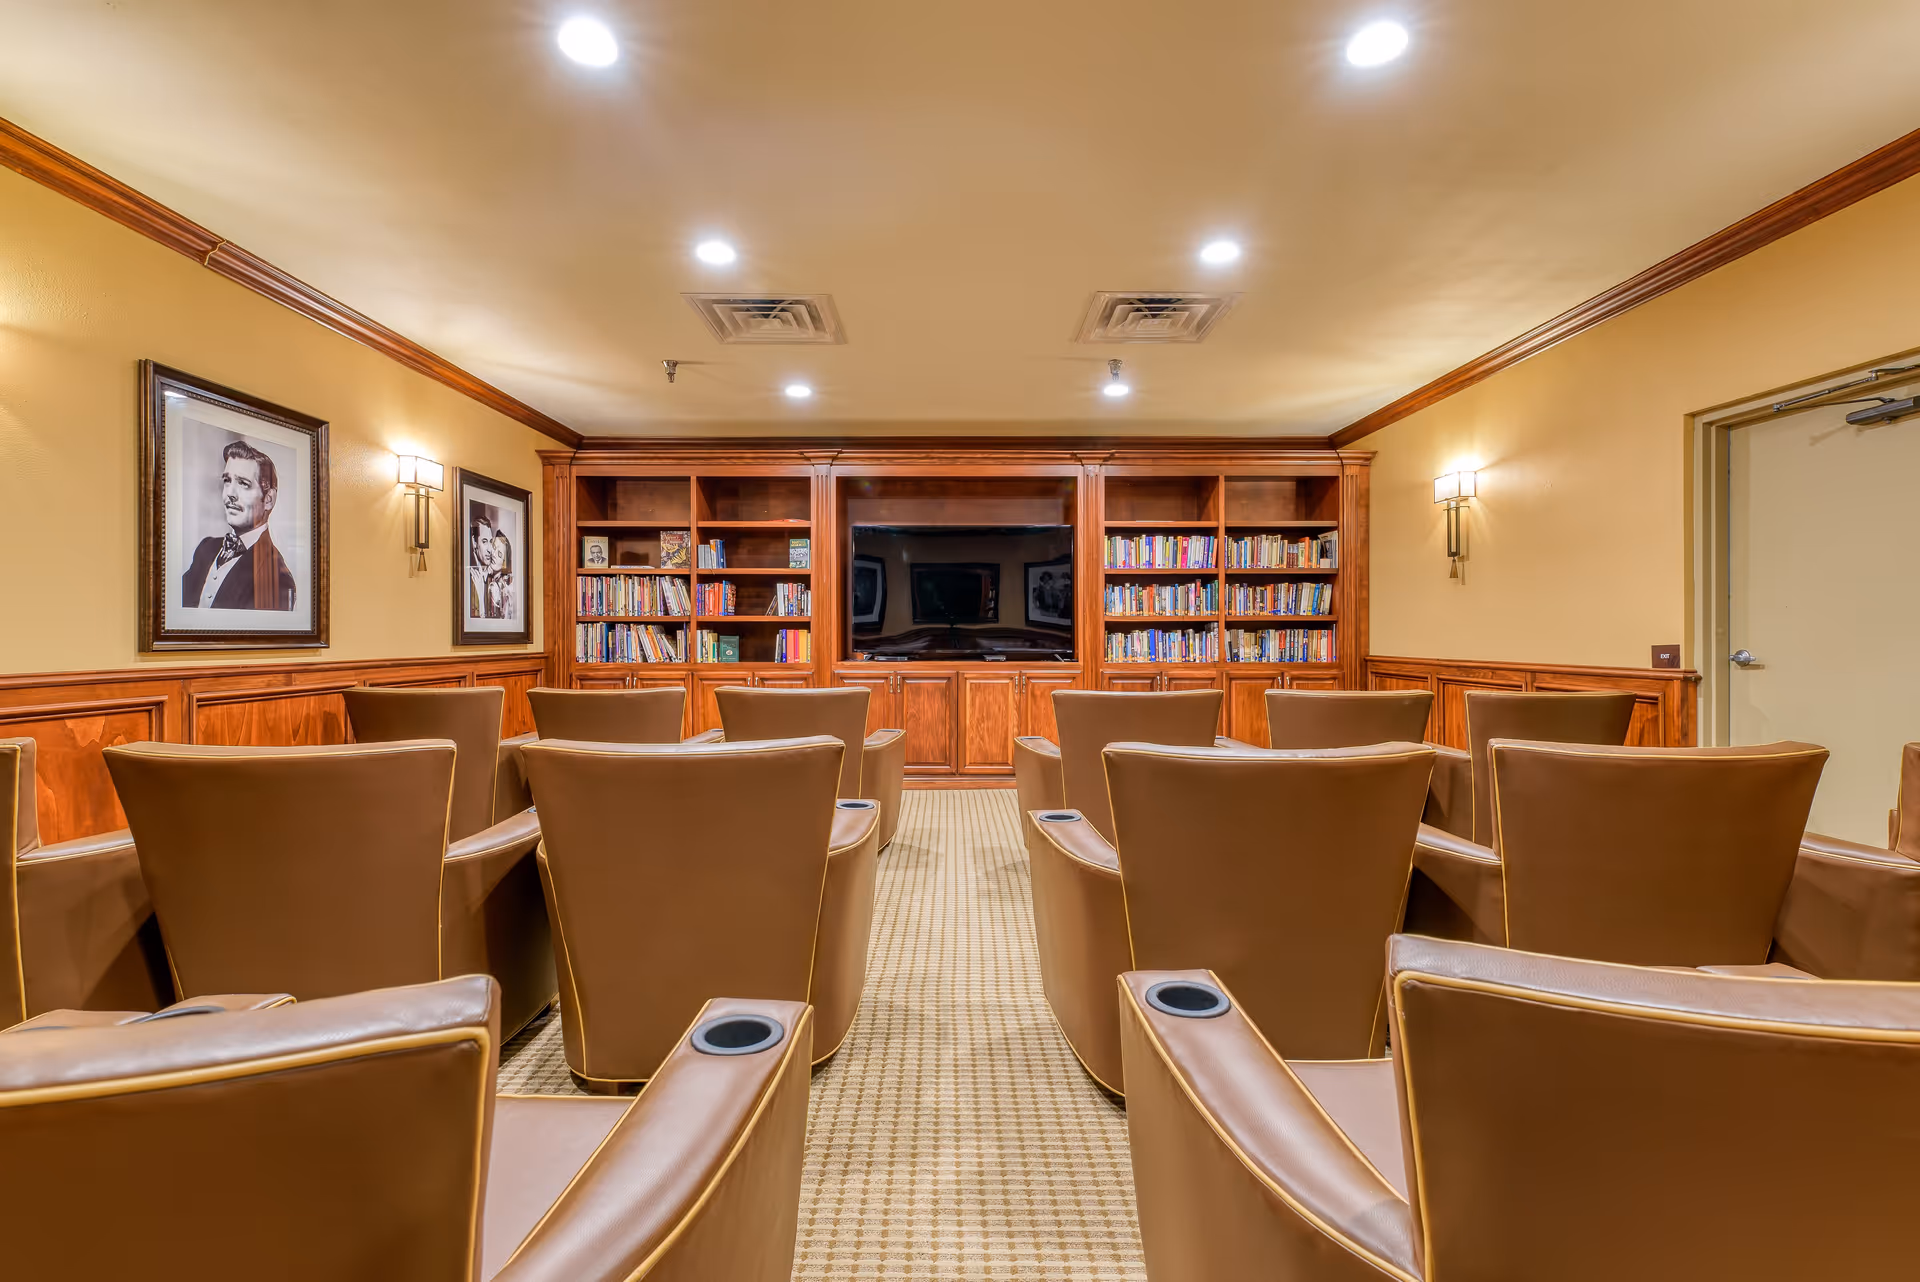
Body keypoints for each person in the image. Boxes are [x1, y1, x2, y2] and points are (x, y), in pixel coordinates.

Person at [180, 440, 296, 610]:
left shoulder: (278, 578)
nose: (230, 494)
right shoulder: (206, 549)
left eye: (243, 483)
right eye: (227, 481)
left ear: (268, 500)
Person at [467, 514, 496, 619]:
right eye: (484, 542)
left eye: (490, 542)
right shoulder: (468, 577)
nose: (490, 549)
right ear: (474, 542)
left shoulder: (491, 577)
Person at [486, 531, 514, 620]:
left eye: (499, 554)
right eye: (494, 548)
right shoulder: (484, 577)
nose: (494, 554)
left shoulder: (506, 588)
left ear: (504, 562)